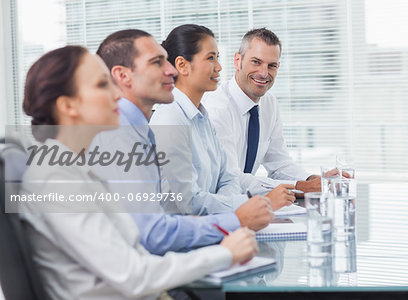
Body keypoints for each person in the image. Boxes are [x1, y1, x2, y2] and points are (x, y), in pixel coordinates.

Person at [19, 45, 258, 299]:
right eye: (102, 85)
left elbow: (133, 252)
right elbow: (132, 275)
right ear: (68, 105)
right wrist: (223, 254)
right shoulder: (57, 179)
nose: (117, 94)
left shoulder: (79, 167)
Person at [94, 29, 273, 255]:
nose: (170, 70)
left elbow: (227, 177)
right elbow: (157, 232)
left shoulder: (150, 128)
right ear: (123, 76)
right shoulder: (127, 134)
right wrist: (235, 217)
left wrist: (231, 214)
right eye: (157, 62)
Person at [150, 24, 295, 216]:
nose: (219, 67)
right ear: (182, 65)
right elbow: (190, 202)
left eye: (217, 57)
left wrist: (230, 204)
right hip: (180, 238)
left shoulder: (202, 117)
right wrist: (260, 203)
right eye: (210, 58)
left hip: (209, 227)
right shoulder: (169, 120)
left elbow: (228, 179)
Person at [203, 28, 332, 196]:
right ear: (237, 61)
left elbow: (279, 163)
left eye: (272, 66)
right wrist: (302, 187)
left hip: (247, 205)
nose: (264, 73)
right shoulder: (217, 109)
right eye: (256, 62)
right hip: (217, 207)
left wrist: (314, 180)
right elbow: (231, 178)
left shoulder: (269, 104)